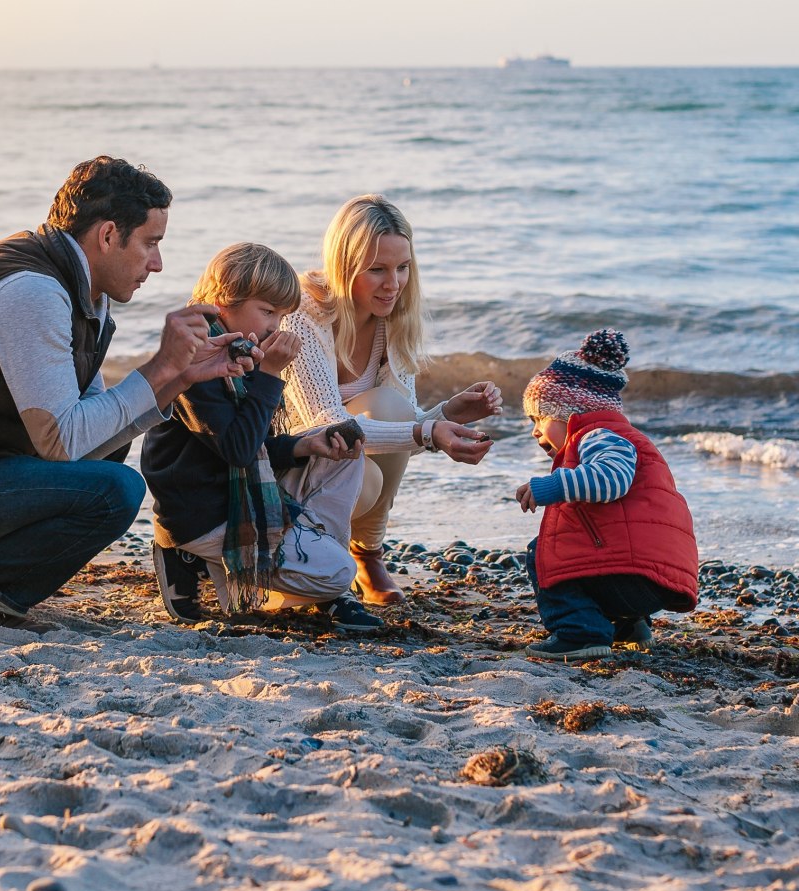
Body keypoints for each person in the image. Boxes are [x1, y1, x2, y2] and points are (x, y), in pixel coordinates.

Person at [0, 155, 252, 629]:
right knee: (117, 489)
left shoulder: (82, 289)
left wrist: (181, 377)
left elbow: (88, 427)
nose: (158, 263)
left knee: (110, 453)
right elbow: (61, 441)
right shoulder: (32, 292)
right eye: (150, 243)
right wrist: (160, 366)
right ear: (108, 235)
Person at [140, 242, 383, 632]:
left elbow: (254, 446)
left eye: (283, 316)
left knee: (343, 457)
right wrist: (270, 374)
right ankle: (189, 555)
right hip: (203, 512)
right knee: (340, 571)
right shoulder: (195, 358)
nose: (276, 326)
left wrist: (305, 445)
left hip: (235, 491)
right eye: (268, 312)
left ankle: (322, 580)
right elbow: (239, 450)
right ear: (223, 301)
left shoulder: (241, 349)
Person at [279, 194, 502, 605]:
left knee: (391, 408)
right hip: (284, 474)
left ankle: (367, 555)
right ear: (344, 266)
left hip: (336, 468)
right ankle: (311, 559)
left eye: (402, 267)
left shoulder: (391, 320)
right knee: (365, 476)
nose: (394, 284)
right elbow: (327, 427)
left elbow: (403, 430)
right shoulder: (302, 314)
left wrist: (449, 413)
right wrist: (430, 431)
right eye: (377, 269)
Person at [515, 328, 699, 661]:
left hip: (635, 574)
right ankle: (628, 626)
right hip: (649, 575)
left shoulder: (599, 435)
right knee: (584, 544)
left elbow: (611, 479)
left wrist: (550, 487)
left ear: (570, 413)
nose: (535, 431)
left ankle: (580, 632)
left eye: (539, 417)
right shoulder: (616, 436)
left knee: (543, 551)